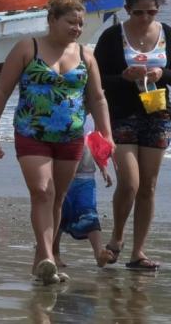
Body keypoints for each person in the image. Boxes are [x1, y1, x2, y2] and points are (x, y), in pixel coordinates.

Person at [0, 0, 114, 285]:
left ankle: (42, 260)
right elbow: (2, 90)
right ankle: (49, 257)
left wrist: (106, 135)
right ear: (52, 19)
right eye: (70, 22)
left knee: (58, 198)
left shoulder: (86, 55)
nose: (76, 28)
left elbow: (98, 98)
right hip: (32, 133)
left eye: (80, 24)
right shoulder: (28, 47)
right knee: (42, 191)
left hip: (71, 136)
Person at [95, 0, 171, 271]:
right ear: (127, 10)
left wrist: (161, 73)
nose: (145, 17)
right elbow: (96, 78)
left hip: (157, 113)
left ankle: (138, 252)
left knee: (148, 186)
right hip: (120, 114)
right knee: (130, 182)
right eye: (139, 13)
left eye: (151, 12)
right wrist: (123, 76)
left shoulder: (168, 34)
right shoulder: (112, 36)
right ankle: (116, 239)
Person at [52, 115, 115, 269]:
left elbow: (95, 143)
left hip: (86, 175)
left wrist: (103, 168)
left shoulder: (91, 118)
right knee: (59, 217)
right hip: (61, 173)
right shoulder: (62, 110)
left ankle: (99, 253)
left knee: (89, 213)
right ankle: (54, 253)